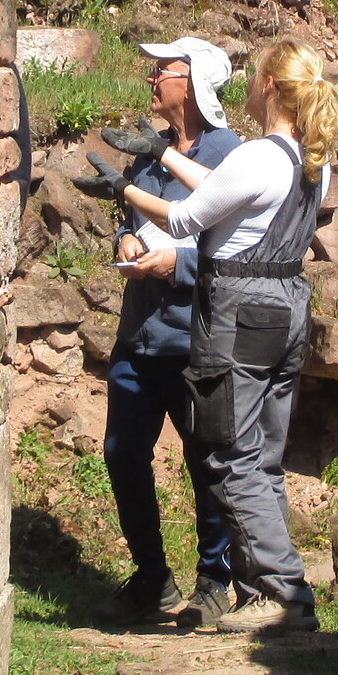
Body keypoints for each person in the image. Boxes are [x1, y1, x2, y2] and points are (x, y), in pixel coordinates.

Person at [118, 37, 338, 635]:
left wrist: (125, 192)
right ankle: (259, 586)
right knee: (263, 457)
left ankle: (284, 592)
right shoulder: (310, 159)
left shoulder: (256, 154)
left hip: (240, 312)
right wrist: (163, 156)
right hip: (288, 306)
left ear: (268, 85)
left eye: (254, 75)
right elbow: (224, 188)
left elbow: (184, 217)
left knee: (228, 454)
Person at [74, 38, 242, 629]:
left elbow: (242, 248)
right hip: (139, 336)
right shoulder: (151, 150)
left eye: (161, 71)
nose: (151, 80)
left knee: (207, 463)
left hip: (197, 341)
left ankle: (215, 582)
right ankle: (153, 579)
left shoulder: (230, 156)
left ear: (192, 84)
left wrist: (180, 265)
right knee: (122, 453)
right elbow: (133, 216)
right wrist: (124, 238)